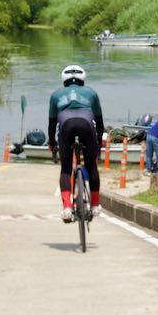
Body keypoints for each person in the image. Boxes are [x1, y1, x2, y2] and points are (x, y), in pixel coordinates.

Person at [47, 64, 104, 223]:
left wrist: (52, 144)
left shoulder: (56, 94)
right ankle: (95, 205)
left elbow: (52, 124)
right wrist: (98, 144)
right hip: (86, 124)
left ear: (63, 81)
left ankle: (66, 208)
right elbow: (99, 122)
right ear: (83, 80)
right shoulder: (91, 93)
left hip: (65, 125)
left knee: (66, 168)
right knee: (91, 166)